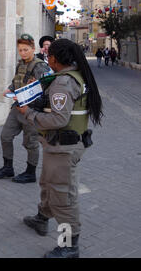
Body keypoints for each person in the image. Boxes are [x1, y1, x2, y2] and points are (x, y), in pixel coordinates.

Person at [17, 38, 103, 258]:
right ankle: (42, 218)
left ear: (54, 58)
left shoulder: (64, 83)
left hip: (64, 149)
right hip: (59, 146)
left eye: (49, 56)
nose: (48, 59)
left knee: (63, 197)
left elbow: (58, 119)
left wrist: (29, 113)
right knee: (48, 183)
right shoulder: (71, 76)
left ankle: (69, 245)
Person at [0, 34, 50, 184]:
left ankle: (30, 173)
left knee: (30, 142)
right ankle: (8, 167)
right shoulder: (21, 64)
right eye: (20, 50)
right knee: (5, 136)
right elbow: (16, 81)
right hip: (17, 107)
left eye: (26, 49)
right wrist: (9, 89)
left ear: (33, 49)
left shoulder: (40, 66)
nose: (23, 53)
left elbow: (46, 89)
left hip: (31, 110)